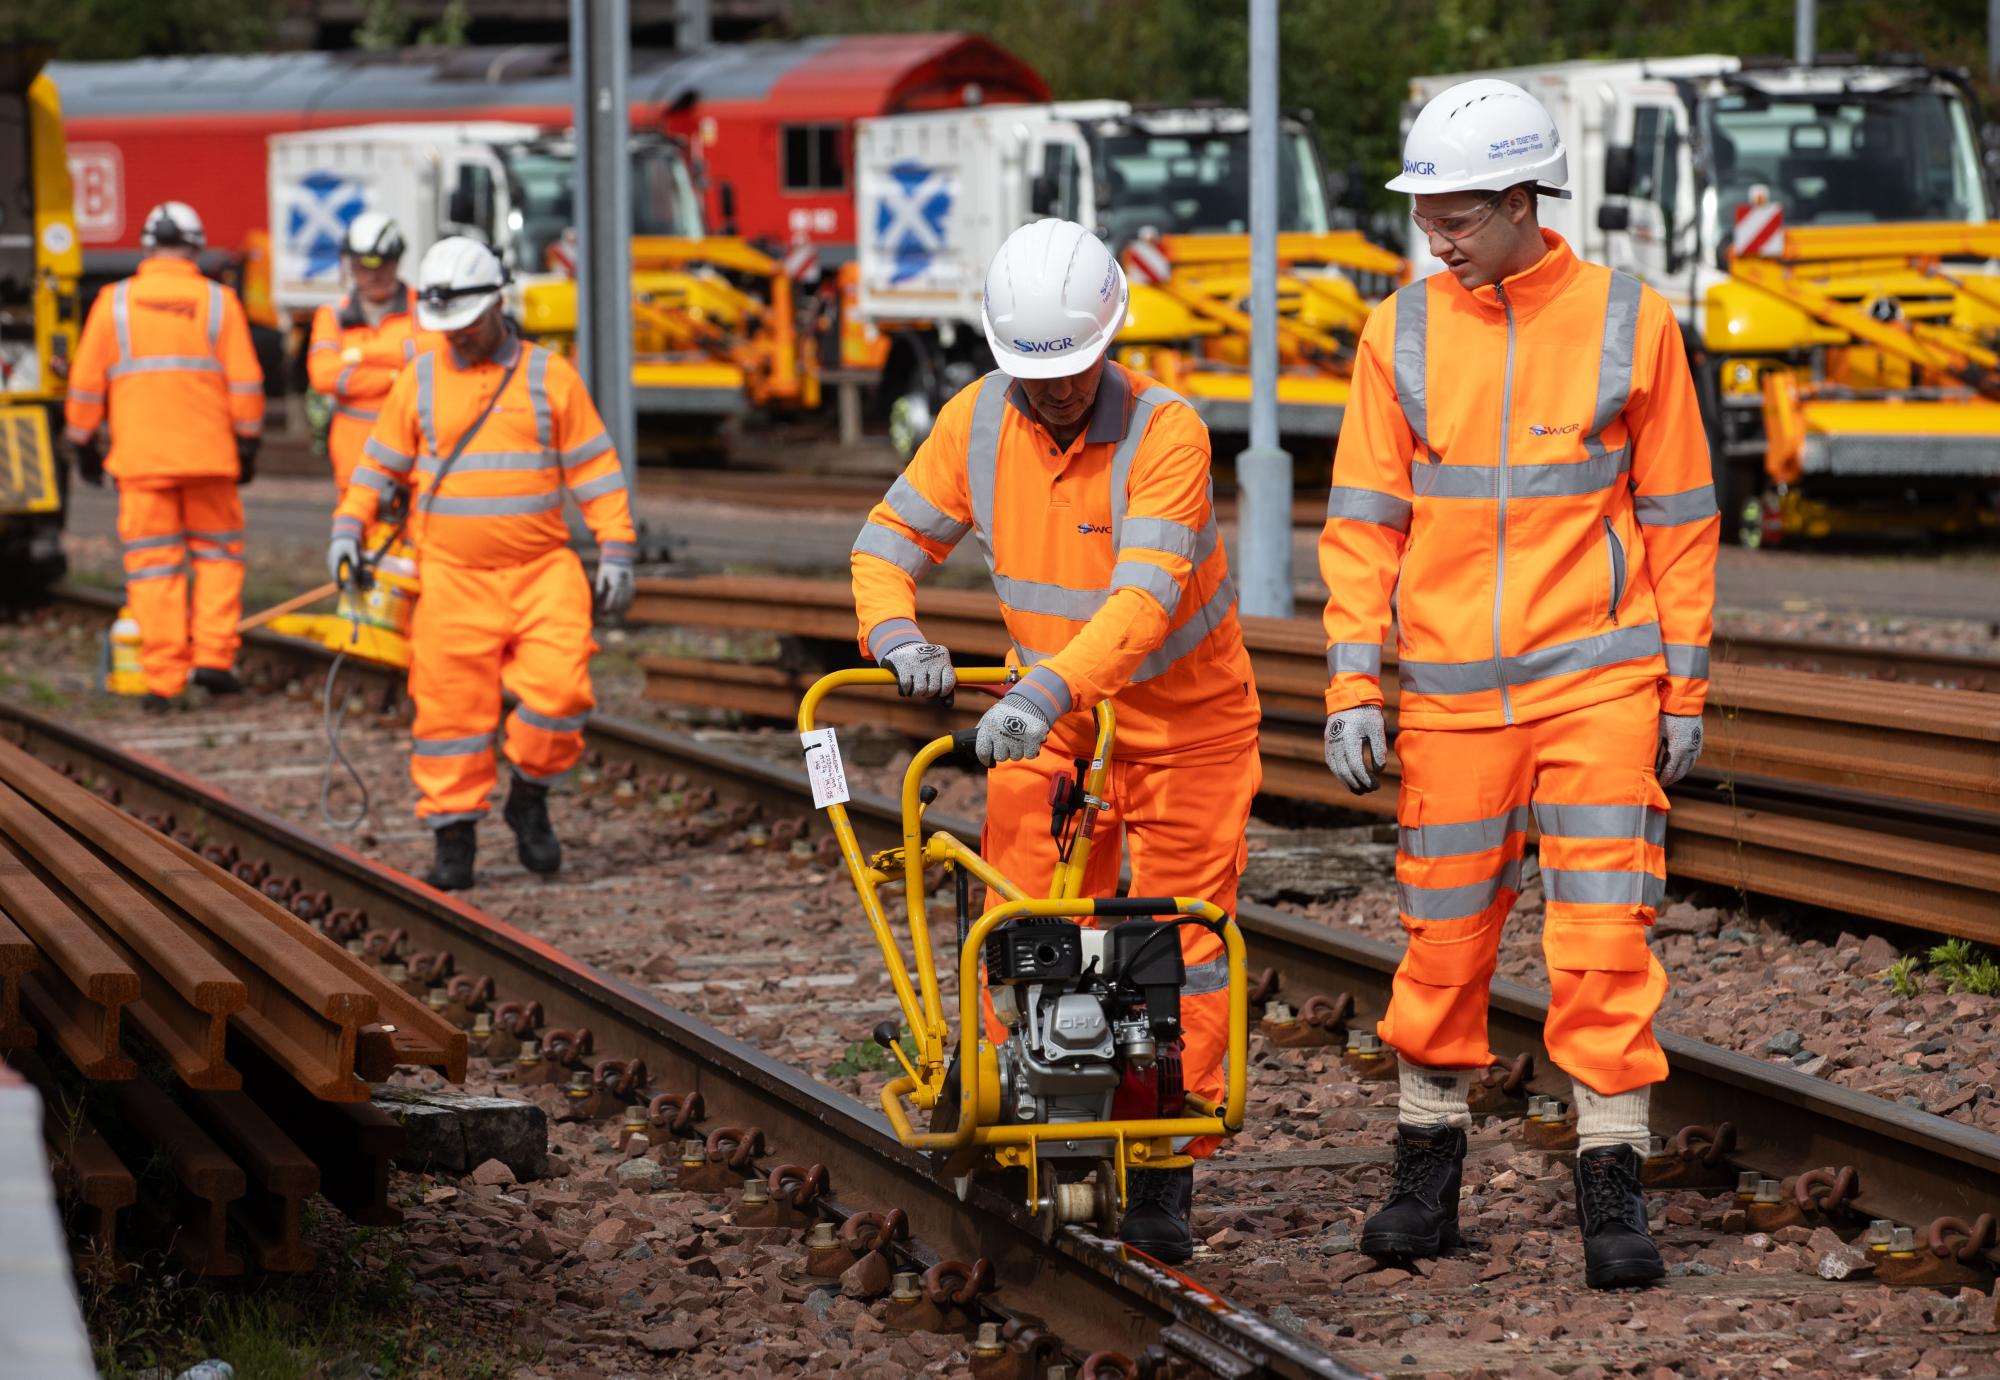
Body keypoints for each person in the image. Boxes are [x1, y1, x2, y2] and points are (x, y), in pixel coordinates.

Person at [1318, 79, 1718, 1289]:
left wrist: (1682, 693)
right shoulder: (1396, 332)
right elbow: (1360, 525)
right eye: (1424, 211)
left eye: (1453, 212)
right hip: (1445, 700)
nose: (1433, 232)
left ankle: (1611, 1195)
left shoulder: (1624, 320)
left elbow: (1680, 517)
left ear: (1519, 198)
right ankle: (1422, 1187)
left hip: (1597, 685)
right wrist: (1350, 679)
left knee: (1602, 943)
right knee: (1440, 947)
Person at [849, 218, 1261, 1264]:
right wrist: (894, 632)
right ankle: (1015, 1108)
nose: (1059, 392)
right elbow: (883, 547)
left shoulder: (1166, 434)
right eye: (1040, 375)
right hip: (1052, 720)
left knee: (1178, 948)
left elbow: (1139, 602)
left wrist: (1036, 696)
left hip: (1181, 729)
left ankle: (1164, 1159)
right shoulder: (975, 422)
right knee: (1022, 911)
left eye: (1075, 370)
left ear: (1107, 342)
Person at [325, 237, 636, 891]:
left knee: (561, 694)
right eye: (447, 330)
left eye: (465, 327)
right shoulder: (421, 378)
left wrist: (616, 548)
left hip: (542, 571)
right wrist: (347, 530)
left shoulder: (549, 375)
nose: (456, 340)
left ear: (497, 305)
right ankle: (453, 834)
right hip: (449, 578)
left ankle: (529, 794)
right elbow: (377, 467)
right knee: (449, 714)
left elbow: (596, 470)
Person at [62, 201, 264, 711]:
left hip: (142, 461)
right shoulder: (219, 302)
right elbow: (246, 382)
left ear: (148, 246)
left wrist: (82, 441)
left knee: (154, 568)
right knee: (218, 559)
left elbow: (86, 384)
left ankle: (164, 680)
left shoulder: (113, 302)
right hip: (209, 457)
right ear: (195, 248)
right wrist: (249, 441)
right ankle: (215, 659)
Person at [306, 212, 437, 498]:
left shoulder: (424, 308)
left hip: (414, 458)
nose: (374, 275)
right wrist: (398, 372)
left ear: (397, 262)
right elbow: (324, 375)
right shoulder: (333, 315)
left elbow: (437, 352)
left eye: (383, 265)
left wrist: (361, 354)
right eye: (363, 266)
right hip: (355, 459)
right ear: (351, 266)